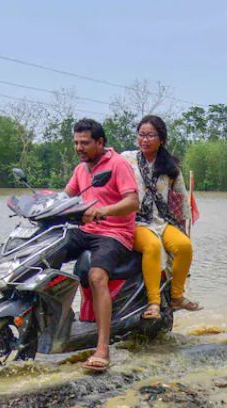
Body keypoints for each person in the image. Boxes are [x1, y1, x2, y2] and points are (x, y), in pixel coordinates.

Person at [61, 118, 139, 372]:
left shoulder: (118, 165)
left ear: (100, 142)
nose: (79, 148)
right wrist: (39, 204)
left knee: (96, 276)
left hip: (115, 233)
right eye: (76, 143)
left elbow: (132, 202)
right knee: (45, 253)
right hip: (85, 230)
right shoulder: (81, 169)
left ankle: (103, 348)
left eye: (84, 143)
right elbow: (66, 197)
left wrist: (103, 211)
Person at [121, 115, 200, 320]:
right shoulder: (126, 159)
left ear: (161, 139)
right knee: (152, 246)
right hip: (135, 220)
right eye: (141, 135)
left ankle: (176, 295)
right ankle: (153, 302)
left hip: (161, 220)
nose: (145, 140)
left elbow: (182, 197)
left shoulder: (170, 165)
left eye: (150, 135)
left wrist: (184, 222)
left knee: (184, 246)